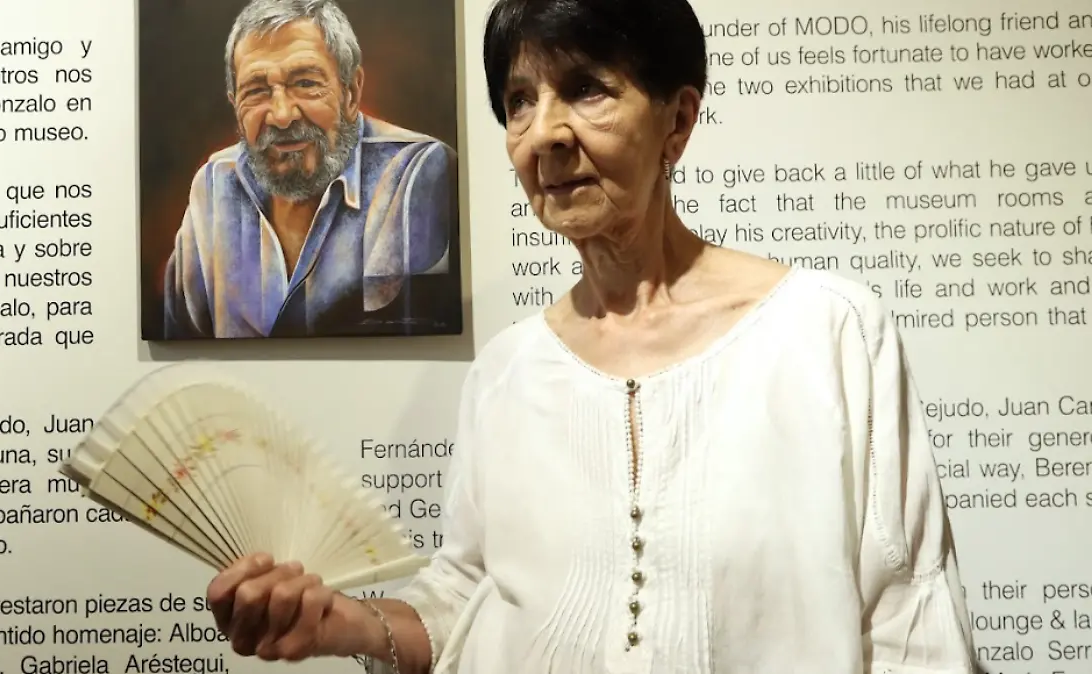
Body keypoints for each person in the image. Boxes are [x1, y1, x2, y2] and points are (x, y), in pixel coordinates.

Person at [206, 0, 979, 671]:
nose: (544, 133)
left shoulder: (827, 332)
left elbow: (912, 624)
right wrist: (342, 624)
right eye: (519, 101)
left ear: (677, 120)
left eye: (586, 90)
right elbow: (464, 600)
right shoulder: (507, 372)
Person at [163, 0, 460, 340]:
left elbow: (411, 339)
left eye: (305, 83)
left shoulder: (415, 173)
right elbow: (181, 343)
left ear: (351, 93)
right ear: (235, 104)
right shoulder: (215, 183)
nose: (281, 115)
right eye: (256, 91)